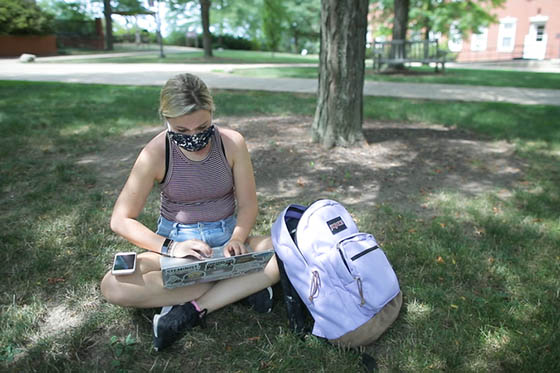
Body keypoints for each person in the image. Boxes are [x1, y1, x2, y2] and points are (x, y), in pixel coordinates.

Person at [100, 73, 279, 351]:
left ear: (212, 114)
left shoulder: (232, 143)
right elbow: (120, 219)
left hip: (229, 240)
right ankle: (240, 286)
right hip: (177, 247)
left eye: (203, 127)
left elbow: (247, 205)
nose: (195, 137)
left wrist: (237, 237)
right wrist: (171, 248)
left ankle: (191, 309)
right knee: (113, 285)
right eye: (182, 131)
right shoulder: (156, 152)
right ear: (166, 119)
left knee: (283, 252)